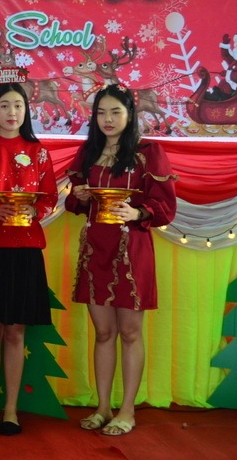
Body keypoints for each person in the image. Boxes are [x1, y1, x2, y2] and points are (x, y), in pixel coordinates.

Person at [63, 84, 177, 437]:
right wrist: (80, 196)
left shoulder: (148, 153)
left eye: (115, 112)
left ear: (130, 115)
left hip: (133, 249)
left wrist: (138, 211)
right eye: (101, 113)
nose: (108, 119)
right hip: (95, 248)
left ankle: (127, 410)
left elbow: (166, 206)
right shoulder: (88, 153)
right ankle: (102, 407)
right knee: (103, 332)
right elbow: (74, 204)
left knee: (129, 332)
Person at [0, 83, 58, 436]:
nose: (11, 112)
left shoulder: (38, 152)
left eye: (18, 105)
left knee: (16, 331)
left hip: (25, 249)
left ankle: (11, 410)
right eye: (4, 105)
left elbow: (49, 198)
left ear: (26, 110)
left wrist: (34, 210)